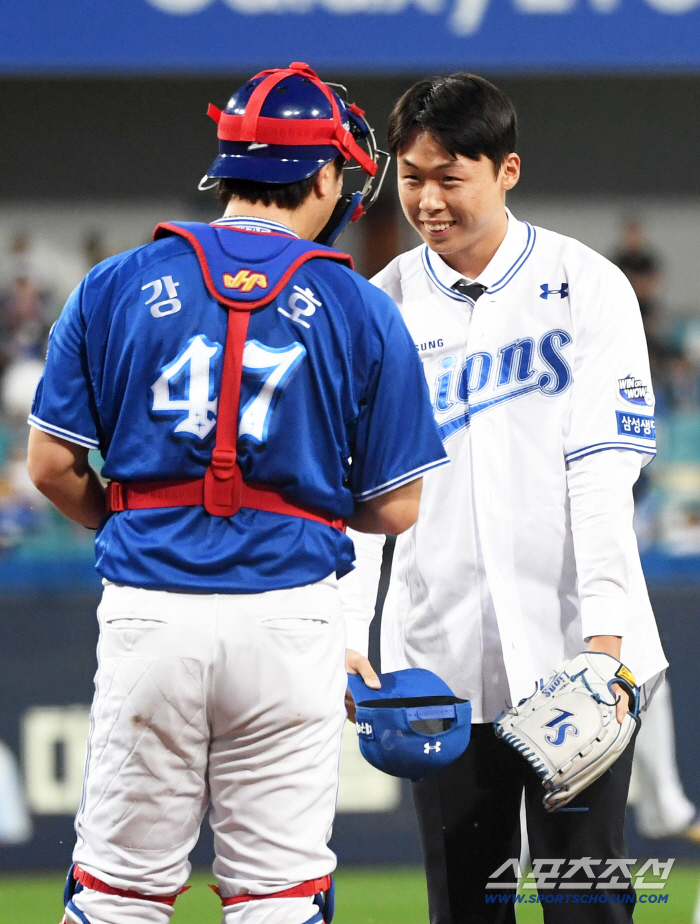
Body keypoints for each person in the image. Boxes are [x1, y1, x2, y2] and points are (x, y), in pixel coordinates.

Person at [26, 62, 447, 924]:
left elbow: (48, 466)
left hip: (150, 606)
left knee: (116, 889)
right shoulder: (361, 307)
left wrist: (142, 519)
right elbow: (399, 507)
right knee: (280, 893)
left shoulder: (115, 282)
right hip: (290, 617)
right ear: (325, 174)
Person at [341, 73, 667, 923]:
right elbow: (364, 500)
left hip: (575, 657)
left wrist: (605, 650)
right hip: (441, 667)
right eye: (412, 177)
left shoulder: (587, 284)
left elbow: (601, 477)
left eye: (451, 177)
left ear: (507, 169)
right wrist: (345, 637)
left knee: (584, 907)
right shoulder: (382, 307)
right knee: (467, 908)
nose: (428, 199)